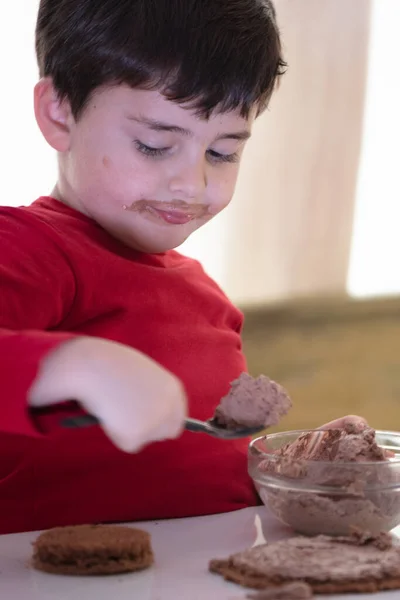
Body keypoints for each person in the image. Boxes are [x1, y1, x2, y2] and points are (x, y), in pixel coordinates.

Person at [0, 0, 366, 534]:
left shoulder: (209, 301)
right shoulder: (27, 249)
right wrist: (68, 365)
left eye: (221, 153)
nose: (192, 184)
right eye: (154, 145)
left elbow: (200, 480)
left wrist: (298, 472)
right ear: (59, 111)